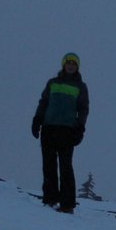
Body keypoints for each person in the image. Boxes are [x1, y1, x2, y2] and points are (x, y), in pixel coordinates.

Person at [30, 53, 89, 212]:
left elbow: (83, 109)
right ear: (64, 65)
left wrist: (80, 128)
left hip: (67, 130)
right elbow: (43, 102)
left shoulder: (80, 86)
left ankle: (67, 204)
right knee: (48, 165)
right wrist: (37, 120)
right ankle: (50, 199)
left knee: (65, 166)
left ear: (77, 67)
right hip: (49, 128)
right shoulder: (52, 83)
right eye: (68, 63)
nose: (71, 66)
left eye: (74, 64)